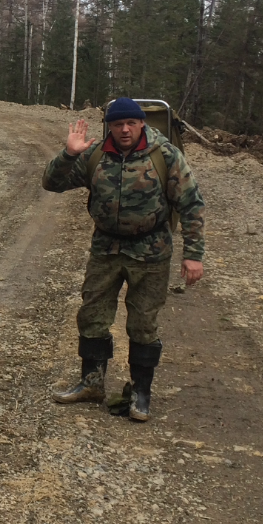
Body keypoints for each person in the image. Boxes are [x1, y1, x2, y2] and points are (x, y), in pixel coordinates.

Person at [41, 98, 205, 422]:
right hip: (106, 249)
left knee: (143, 324)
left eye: (131, 123)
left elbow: (191, 204)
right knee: (92, 316)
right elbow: (51, 183)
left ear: (142, 123)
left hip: (151, 252)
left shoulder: (165, 155)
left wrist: (193, 255)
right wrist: (69, 154)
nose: (125, 129)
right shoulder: (96, 154)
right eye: (118, 124)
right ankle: (92, 384)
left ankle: (141, 393)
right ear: (110, 127)